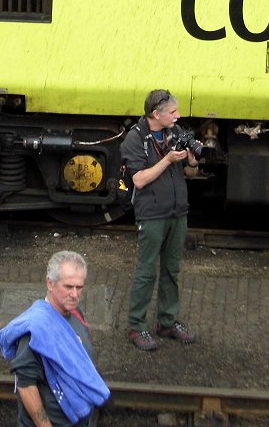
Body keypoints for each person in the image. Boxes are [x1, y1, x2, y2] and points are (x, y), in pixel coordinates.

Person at [121, 89, 198, 351]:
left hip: (177, 212)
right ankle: (136, 326)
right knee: (146, 272)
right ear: (157, 114)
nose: (178, 116)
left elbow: (188, 172)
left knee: (172, 270)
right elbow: (139, 179)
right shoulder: (135, 138)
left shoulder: (174, 133)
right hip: (152, 214)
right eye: (173, 112)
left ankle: (167, 322)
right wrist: (167, 159)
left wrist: (193, 161)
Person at [0, 250, 109, 427]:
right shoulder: (36, 329)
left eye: (79, 287)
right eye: (68, 287)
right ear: (50, 283)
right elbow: (25, 385)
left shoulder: (75, 314)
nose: (75, 294)